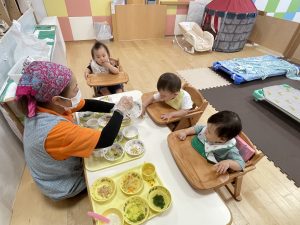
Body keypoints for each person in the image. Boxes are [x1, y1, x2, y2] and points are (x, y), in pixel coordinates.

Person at [16, 61, 133, 200]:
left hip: (52, 168)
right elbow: (105, 139)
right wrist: (120, 111)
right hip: (61, 183)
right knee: (116, 171)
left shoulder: (44, 104)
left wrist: (113, 107)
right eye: (75, 89)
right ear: (58, 99)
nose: (78, 90)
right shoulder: (54, 130)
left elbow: (86, 104)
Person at [175, 111, 245, 174]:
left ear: (222, 139)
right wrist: (185, 132)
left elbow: (241, 164)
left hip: (201, 168)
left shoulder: (229, 149)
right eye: (207, 127)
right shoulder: (209, 129)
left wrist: (228, 163)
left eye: (209, 131)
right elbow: (198, 128)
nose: (205, 131)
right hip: (188, 152)